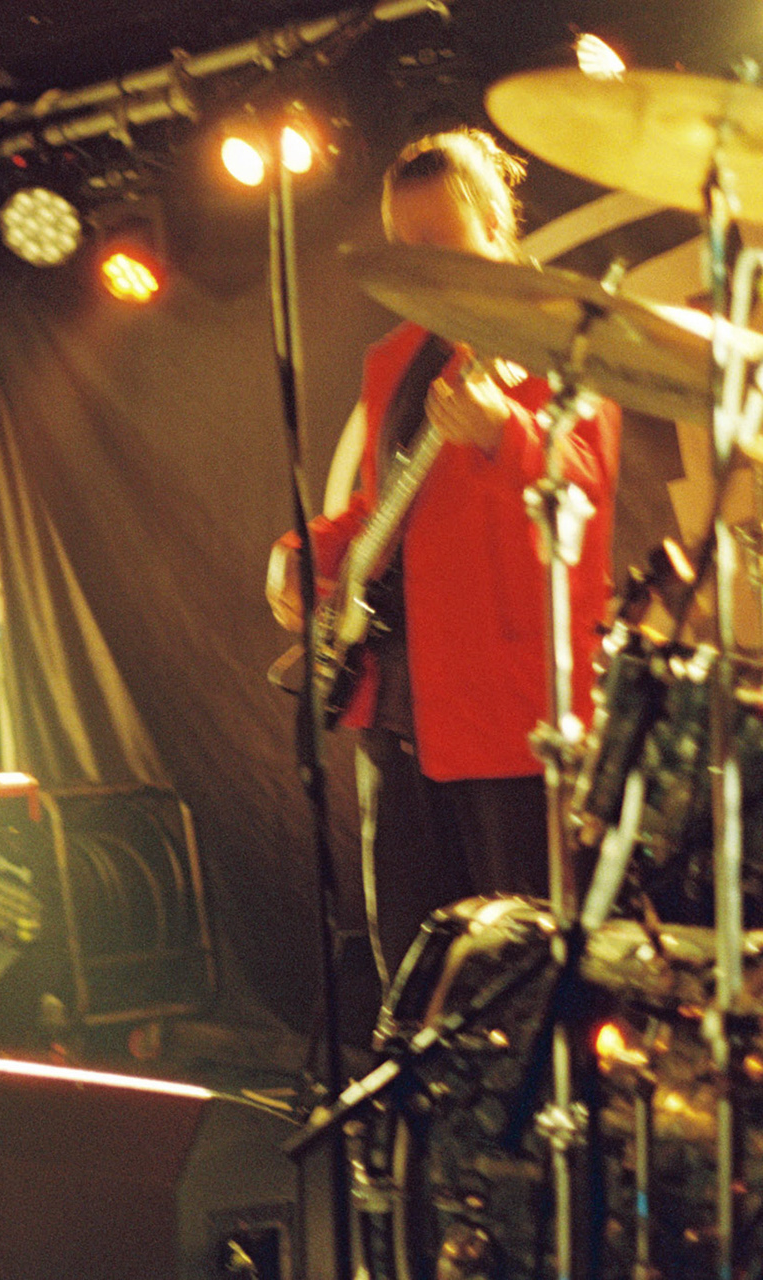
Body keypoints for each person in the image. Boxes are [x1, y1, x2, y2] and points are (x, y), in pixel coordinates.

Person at [266, 128, 621, 988]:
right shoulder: (396, 358)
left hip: (511, 711)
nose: (421, 260)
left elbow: (587, 479)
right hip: (396, 704)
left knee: (522, 959)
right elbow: (383, 507)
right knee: (413, 955)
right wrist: (303, 554)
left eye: (442, 239)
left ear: (495, 229)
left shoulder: (556, 332)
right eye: (407, 242)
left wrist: (508, 432)